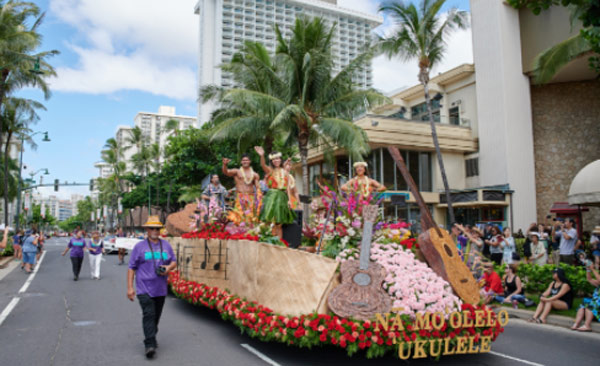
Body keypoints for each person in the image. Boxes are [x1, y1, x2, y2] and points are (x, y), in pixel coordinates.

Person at [127, 216, 176, 359]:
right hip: (143, 288)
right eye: (152, 228)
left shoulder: (166, 245)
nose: (155, 231)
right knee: (149, 314)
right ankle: (149, 344)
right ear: (147, 230)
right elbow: (131, 268)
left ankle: (151, 336)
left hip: (160, 288)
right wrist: (130, 288)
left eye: (157, 228)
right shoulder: (139, 247)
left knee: (156, 316)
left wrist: (168, 267)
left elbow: (174, 261)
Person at [254, 147, 296, 237]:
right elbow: (263, 165)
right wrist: (261, 156)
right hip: (272, 197)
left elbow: (288, 187)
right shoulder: (270, 170)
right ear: (271, 161)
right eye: (273, 159)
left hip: (282, 197)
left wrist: (289, 200)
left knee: (279, 223)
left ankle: (279, 243)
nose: (276, 161)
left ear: (280, 159)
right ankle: (265, 239)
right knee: (267, 221)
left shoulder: (285, 172)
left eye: (277, 158)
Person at [222, 154, 262, 223]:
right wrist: (225, 165)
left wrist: (259, 199)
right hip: (240, 196)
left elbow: (258, 188)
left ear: (250, 161)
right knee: (239, 216)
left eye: (246, 160)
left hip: (251, 197)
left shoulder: (255, 175)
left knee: (250, 217)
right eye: (243, 160)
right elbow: (226, 172)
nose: (245, 161)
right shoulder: (237, 171)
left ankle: (250, 232)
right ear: (241, 162)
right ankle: (239, 233)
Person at [572, 263, 600, 332]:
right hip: (596, 306)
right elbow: (589, 279)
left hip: (597, 307)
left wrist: (593, 269)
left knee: (590, 305)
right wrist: (588, 269)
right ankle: (576, 323)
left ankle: (587, 325)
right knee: (583, 305)